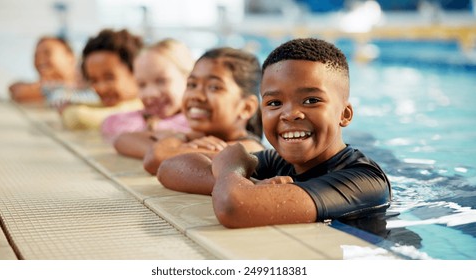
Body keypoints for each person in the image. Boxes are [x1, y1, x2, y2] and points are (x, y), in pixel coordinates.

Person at [156, 38, 392, 228]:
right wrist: (251, 184)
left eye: (311, 100)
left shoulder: (364, 180)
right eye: (275, 103)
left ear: (345, 114)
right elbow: (169, 168)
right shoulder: (278, 162)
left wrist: (231, 170)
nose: (289, 114)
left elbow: (234, 206)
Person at [141, 47, 265, 174]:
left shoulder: (248, 150)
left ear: (246, 107)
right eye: (192, 84)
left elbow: (155, 158)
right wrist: (182, 138)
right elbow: (123, 140)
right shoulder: (196, 138)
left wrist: (176, 141)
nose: (196, 95)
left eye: (214, 87)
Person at [104, 38, 194, 143]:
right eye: (141, 85)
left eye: (161, 81)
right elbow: (109, 123)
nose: (150, 93)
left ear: (189, 79)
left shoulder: (197, 123)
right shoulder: (137, 118)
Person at [59, 29, 144, 130]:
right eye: (93, 80)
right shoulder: (115, 105)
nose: (101, 88)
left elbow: (77, 118)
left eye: (109, 78)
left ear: (136, 71)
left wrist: (67, 111)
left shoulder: (143, 110)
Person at [8, 36, 78, 103]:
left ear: (70, 57)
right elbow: (16, 90)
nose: (40, 60)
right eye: (36, 55)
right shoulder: (44, 87)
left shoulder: (84, 86)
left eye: (47, 53)